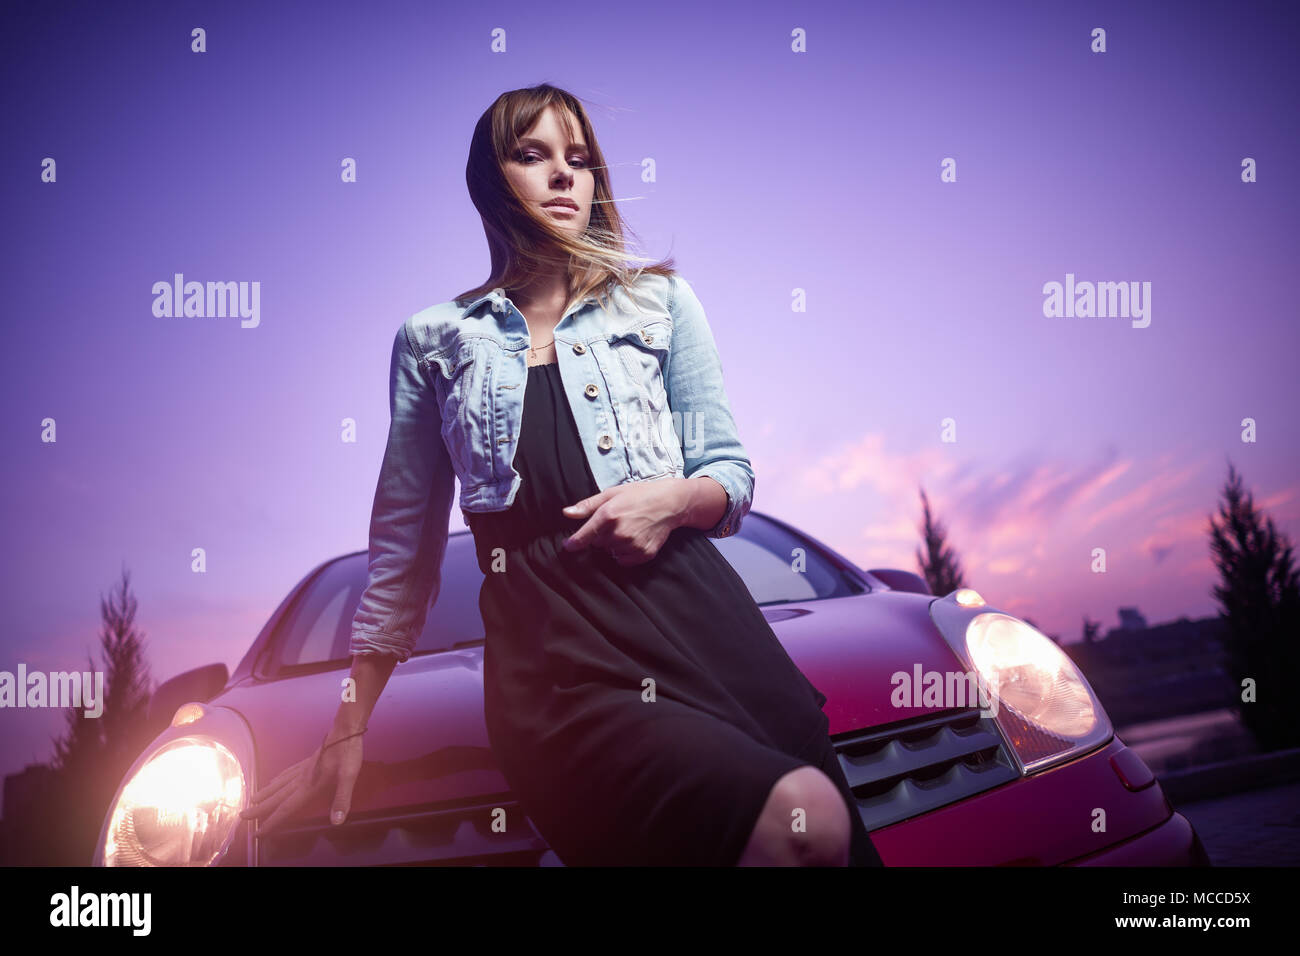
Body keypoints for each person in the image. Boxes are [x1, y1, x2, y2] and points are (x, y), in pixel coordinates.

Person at [242, 84, 883, 867]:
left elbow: (730, 472)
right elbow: (401, 559)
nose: (563, 176)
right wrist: (346, 729)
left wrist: (673, 498)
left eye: (578, 159)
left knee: (830, 841)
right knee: (801, 818)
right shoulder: (434, 341)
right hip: (554, 661)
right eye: (533, 155)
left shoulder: (660, 302)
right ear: (489, 181)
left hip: (707, 625)